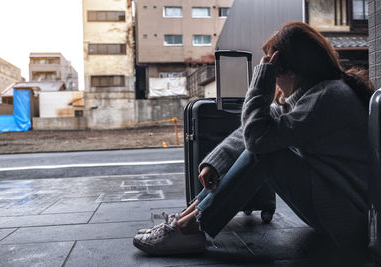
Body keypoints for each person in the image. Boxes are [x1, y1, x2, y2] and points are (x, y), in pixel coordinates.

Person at [133, 22, 375, 259]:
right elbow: (260, 125)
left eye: (273, 69)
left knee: (264, 150)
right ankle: (185, 221)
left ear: (288, 69)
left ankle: (191, 227)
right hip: (335, 207)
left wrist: (262, 80)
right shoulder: (317, 93)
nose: (274, 79)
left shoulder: (326, 97)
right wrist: (215, 162)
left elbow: (257, 139)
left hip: (345, 217)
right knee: (261, 143)